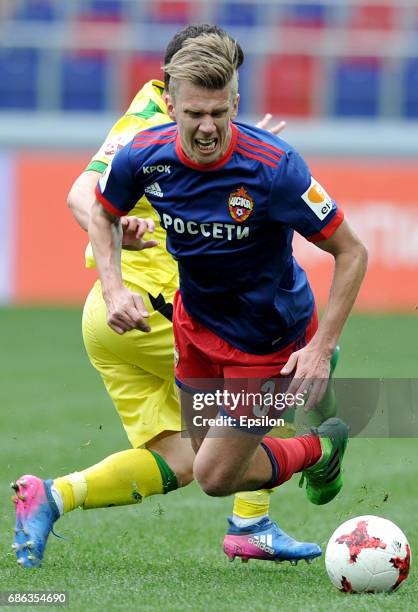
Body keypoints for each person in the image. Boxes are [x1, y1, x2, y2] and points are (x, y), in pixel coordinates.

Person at [11, 25, 323, 569]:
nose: (210, 119)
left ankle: (51, 495)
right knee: (279, 376)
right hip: (153, 309)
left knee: (179, 460)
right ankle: (252, 520)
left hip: (113, 319)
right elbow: (80, 193)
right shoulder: (150, 124)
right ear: (173, 84)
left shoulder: (164, 113)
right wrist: (115, 227)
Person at [88, 31, 367, 541]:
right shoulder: (142, 156)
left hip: (268, 337)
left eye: (220, 111)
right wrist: (112, 289)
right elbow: (101, 212)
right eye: (195, 113)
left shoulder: (275, 167)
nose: (209, 127)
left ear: (236, 102)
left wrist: (321, 349)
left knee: (214, 477)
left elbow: (352, 252)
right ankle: (304, 444)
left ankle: (323, 448)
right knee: (204, 456)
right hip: (195, 328)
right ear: (169, 104)